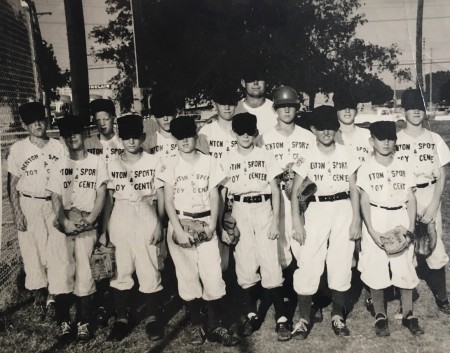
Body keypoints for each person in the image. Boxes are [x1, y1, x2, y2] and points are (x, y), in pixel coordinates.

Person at [159, 116, 239, 347]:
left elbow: (215, 196)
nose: (185, 140)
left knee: (213, 275)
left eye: (188, 136)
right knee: (187, 277)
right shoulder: (170, 163)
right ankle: (196, 324)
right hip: (181, 222)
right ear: (174, 138)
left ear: (195, 136)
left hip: (205, 222)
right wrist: (177, 229)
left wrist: (214, 225)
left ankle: (215, 326)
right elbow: (168, 199)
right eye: (179, 136)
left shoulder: (209, 162)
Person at [290, 106, 361, 339]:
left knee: (341, 259)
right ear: (313, 129)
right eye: (320, 128)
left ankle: (338, 316)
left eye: (330, 127)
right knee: (309, 258)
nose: (326, 132)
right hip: (317, 208)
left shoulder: (346, 153)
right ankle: (303, 318)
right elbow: (294, 193)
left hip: (342, 208)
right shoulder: (308, 154)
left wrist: (356, 220)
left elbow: (353, 189)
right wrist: (297, 223)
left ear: (336, 127)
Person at [220, 112, 291, 341]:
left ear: (256, 133)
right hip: (240, 210)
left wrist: (275, 220)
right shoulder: (226, 158)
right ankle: (251, 314)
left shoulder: (265, 155)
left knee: (271, 262)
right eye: (240, 132)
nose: (245, 136)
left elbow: (275, 190)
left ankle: (281, 318)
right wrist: (224, 221)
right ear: (233, 134)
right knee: (246, 263)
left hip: (263, 208)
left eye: (250, 132)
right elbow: (221, 193)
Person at [357, 121, 423, 336]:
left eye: (390, 138)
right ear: (371, 141)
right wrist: (371, 230)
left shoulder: (403, 166)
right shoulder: (366, 168)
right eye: (380, 138)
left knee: (403, 264)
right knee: (376, 265)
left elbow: (411, 199)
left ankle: (408, 314)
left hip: (399, 216)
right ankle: (380, 314)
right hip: (377, 216)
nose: (386, 142)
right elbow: (364, 201)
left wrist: (411, 226)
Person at [46, 116, 108, 343]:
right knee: (61, 272)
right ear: (62, 138)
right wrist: (63, 221)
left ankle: (83, 321)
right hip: (63, 224)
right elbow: (54, 196)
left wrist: (92, 218)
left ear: (84, 134)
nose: (72, 137)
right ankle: (63, 321)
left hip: (85, 222)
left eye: (76, 132)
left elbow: (102, 193)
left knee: (84, 271)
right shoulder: (59, 164)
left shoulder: (97, 162)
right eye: (67, 134)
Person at [105, 114, 165, 342]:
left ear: (142, 137)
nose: (131, 142)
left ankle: (152, 318)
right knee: (121, 267)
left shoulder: (153, 161)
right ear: (120, 138)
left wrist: (160, 225)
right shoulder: (112, 163)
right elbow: (109, 200)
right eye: (126, 137)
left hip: (146, 210)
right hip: (121, 212)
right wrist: (106, 229)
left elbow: (160, 196)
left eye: (135, 137)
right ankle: (121, 318)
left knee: (148, 265)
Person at [258, 86, 316, 324]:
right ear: (275, 109)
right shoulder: (264, 138)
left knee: (305, 247)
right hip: (276, 197)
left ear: (297, 108)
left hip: (302, 200)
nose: (287, 110)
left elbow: (315, 169)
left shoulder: (307, 136)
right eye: (282, 106)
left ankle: (308, 298)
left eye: (291, 105)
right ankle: (283, 300)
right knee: (279, 248)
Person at [7, 102, 65, 320]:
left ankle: (53, 295)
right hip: (29, 204)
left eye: (40, 120)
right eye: (32, 122)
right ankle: (38, 295)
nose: (38, 125)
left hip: (53, 203)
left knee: (54, 250)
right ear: (25, 125)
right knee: (33, 252)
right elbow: (12, 183)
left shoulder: (58, 146)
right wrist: (16, 212)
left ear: (46, 120)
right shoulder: (18, 149)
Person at [395, 89, 450, 315]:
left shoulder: (434, 138)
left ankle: (442, 296)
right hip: (405, 195)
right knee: (405, 247)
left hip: (428, 194)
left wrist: (435, 202)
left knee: (434, 245)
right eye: (411, 107)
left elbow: (442, 174)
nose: (416, 112)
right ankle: (405, 299)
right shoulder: (396, 138)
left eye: (419, 107)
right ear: (404, 111)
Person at [85, 98, 124, 326]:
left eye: (106, 119)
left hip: (119, 203)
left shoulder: (123, 142)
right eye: (97, 120)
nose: (102, 124)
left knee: (116, 253)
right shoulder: (89, 143)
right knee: (96, 255)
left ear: (113, 119)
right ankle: (99, 302)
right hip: (95, 205)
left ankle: (117, 301)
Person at [198, 84, 240, 272]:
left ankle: (241, 286)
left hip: (238, 189)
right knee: (218, 245)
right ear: (215, 105)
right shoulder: (207, 132)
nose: (227, 107)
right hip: (215, 191)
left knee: (239, 240)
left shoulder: (243, 129)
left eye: (231, 103)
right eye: (223, 104)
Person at [235, 65, 278, 135]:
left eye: (260, 78)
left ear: (266, 82)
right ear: (243, 83)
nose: (255, 82)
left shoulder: (277, 111)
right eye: (251, 79)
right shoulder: (234, 110)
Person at [333, 90, 371, 164]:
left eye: (351, 107)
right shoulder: (331, 136)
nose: (347, 110)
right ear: (336, 111)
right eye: (343, 107)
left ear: (356, 110)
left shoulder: (367, 134)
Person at [142, 92, 179, 158]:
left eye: (168, 113)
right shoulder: (147, 143)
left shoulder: (186, 139)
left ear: (175, 114)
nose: (165, 119)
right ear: (153, 117)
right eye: (160, 115)